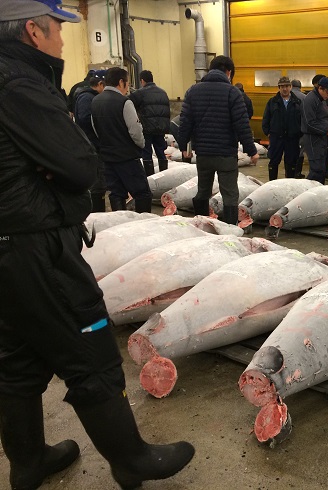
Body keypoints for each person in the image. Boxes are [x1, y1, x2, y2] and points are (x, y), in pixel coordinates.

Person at [0, 2, 195, 489]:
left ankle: (27, 462)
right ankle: (129, 457)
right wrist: (62, 170)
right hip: (35, 244)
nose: (63, 41)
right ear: (32, 30)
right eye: (57, 30)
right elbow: (83, 168)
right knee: (90, 352)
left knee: (17, 360)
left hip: (7, 247)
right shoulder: (21, 85)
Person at [177, 55, 259, 223]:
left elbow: (185, 121)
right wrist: (251, 151)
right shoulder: (232, 92)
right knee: (229, 194)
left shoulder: (193, 91)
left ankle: (201, 223)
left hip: (204, 154)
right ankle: (228, 230)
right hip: (225, 155)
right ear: (228, 72)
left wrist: (183, 145)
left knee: (203, 191)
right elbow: (241, 125)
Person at [91, 66, 152, 212]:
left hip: (107, 156)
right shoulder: (124, 102)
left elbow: (95, 129)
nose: (128, 87)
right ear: (121, 82)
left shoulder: (95, 101)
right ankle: (144, 226)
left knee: (116, 193)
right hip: (127, 158)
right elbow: (135, 132)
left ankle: (120, 224)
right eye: (127, 83)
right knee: (142, 194)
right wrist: (141, 145)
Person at [74, 74, 106, 212]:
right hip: (91, 145)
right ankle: (96, 212)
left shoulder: (89, 97)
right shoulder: (87, 98)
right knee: (97, 183)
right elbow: (85, 119)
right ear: (99, 84)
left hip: (91, 144)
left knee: (99, 181)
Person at [129, 69, 171, 175]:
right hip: (161, 128)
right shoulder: (163, 92)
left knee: (147, 153)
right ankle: (164, 175)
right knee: (161, 152)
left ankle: (151, 178)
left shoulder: (140, 93)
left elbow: (128, 104)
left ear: (142, 81)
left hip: (147, 128)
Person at [261, 76, 302, 180]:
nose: (285, 89)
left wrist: (299, 133)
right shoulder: (272, 102)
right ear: (279, 87)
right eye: (282, 86)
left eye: (287, 86)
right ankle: (272, 184)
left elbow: (302, 119)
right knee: (274, 162)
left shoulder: (297, 102)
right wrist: (268, 132)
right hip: (276, 137)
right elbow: (266, 118)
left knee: (291, 163)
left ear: (291, 87)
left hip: (292, 138)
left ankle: (289, 185)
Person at [301, 76, 328, 183]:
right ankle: (307, 193)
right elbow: (309, 123)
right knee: (317, 171)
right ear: (320, 88)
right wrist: (326, 131)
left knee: (321, 169)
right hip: (313, 140)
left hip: (319, 139)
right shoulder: (310, 100)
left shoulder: (320, 99)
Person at [291, 79, 307, 178]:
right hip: (301, 129)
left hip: (288, 129)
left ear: (291, 86)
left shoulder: (286, 96)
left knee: (290, 150)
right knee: (300, 151)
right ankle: (297, 173)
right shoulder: (305, 97)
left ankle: (290, 172)